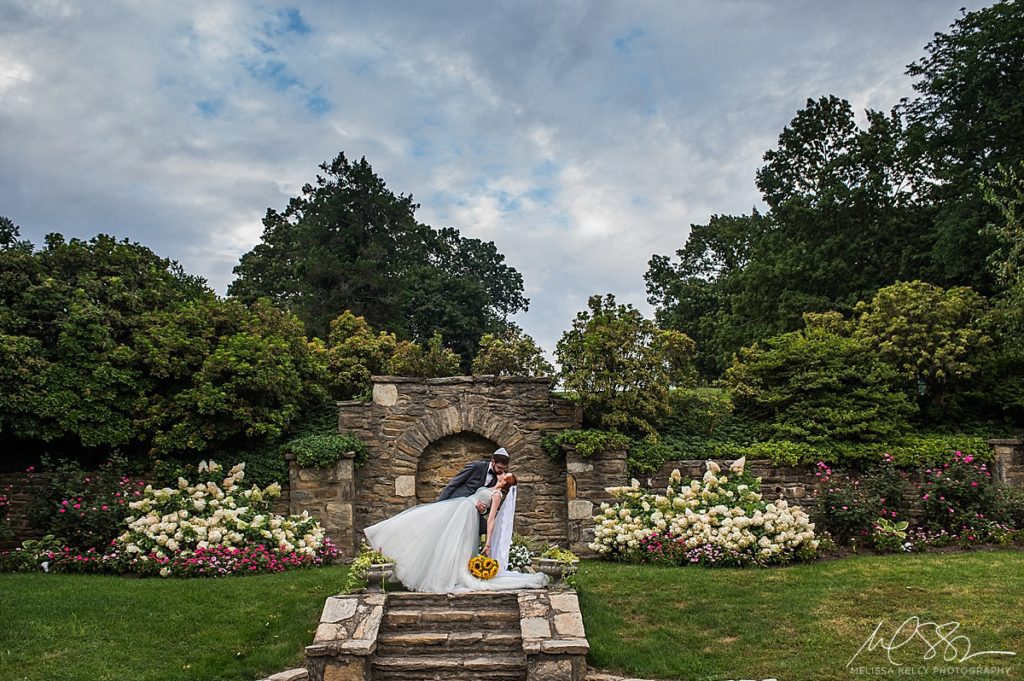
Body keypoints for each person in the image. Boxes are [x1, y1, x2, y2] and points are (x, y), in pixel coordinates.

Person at [364, 471, 547, 592]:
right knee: (429, 525)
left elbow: (491, 519)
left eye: (504, 475)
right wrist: (480, 507)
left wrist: (488, 542)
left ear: (506, 482)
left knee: (456, 545)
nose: (501, 474)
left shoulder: (498, 495)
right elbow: (482, 506)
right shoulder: (491, 487)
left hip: (466, 515)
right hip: (462, 508)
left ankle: (449, 574)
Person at [438, 448, 510, 535]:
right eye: (499, 467)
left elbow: (490, 504)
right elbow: (454, 483)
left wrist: (483, 510)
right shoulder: (476, 466)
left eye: (504, 469)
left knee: (484, 529)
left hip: (473, 511)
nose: (501, 471)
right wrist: (440, 504)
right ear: (493, 462)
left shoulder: (499, 479)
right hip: (458, 503)